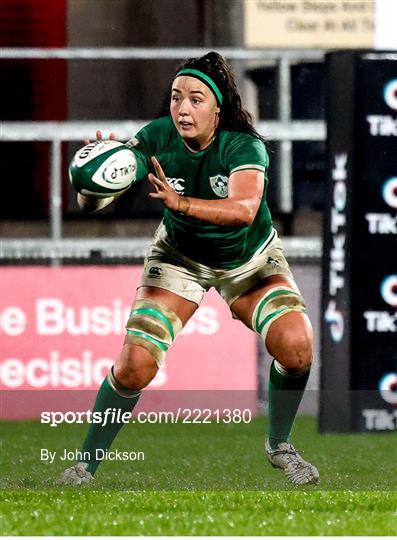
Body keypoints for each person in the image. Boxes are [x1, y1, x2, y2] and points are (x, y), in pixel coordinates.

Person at [59, 51, 319, 486]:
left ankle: (279, 447)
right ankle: (84, 465)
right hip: (178, 257)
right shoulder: (156, 137)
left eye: (196, 99)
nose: (182, 107)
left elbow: (242, 209)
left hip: (248, 258)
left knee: (296, 345)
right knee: (134, 366)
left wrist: (180, 203)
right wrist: (92, 175)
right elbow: (95, 204)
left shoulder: (243, 145)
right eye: (176, 97)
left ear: (218, 107)